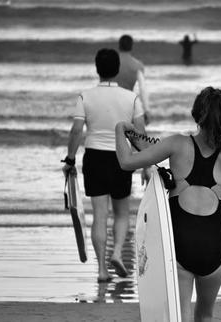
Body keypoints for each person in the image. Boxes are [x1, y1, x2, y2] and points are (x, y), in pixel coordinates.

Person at [115, 87, 221, 322]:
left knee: (182, 316)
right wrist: (139, 138)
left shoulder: (178, 144)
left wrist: (120, 130)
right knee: (206, 316)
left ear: (196, 114)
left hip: (182, 243)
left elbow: (127, 162)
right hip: (216, 246)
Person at [62, 48, 147, 283]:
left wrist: (70, 160)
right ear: (117, 69)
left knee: (100, 216)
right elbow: (139, 134)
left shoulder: (85, 96)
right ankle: (118, 252)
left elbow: (77, 130)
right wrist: (147, 162)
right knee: (121, 213)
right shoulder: (131, 98)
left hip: (95, 158)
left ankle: (102, 269)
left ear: (97, 69)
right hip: (122, 158)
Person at [115, 34, 150, 124]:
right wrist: (146, 110)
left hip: (111, 103)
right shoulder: (137, 65)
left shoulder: (111, 63)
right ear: (131, 46)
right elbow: (142, 89)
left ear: (119, 46)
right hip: (128, 105)